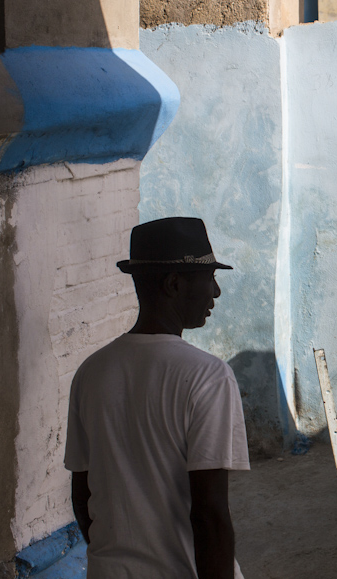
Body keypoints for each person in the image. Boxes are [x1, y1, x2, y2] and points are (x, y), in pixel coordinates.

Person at [64, 217, 250, 579]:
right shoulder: (207, 376)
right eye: (208, 278)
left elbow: (83, 495)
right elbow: (210, 513)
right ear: (174, 284)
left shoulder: (91, 372)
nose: (216, 292)